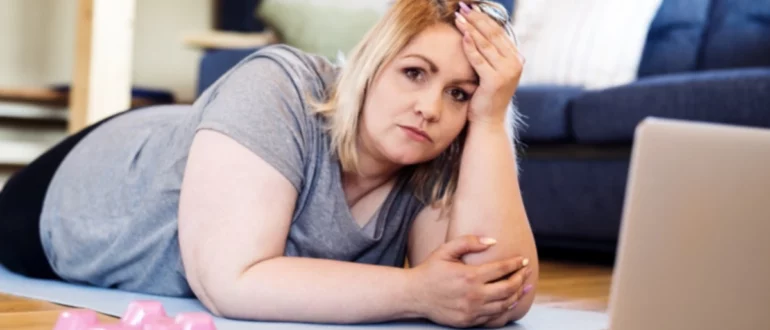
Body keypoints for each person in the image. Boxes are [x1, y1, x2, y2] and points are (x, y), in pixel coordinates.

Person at [0, 0, 538, 328]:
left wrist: (491, 121)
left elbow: (493, 295)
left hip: (195, 139)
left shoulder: (446, 146)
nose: (430, 107)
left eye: (461, 94)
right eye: (414, 73)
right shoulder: (279, 84)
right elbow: (231, 283)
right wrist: (417, 291)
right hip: (80, 189)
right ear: (374, 65)